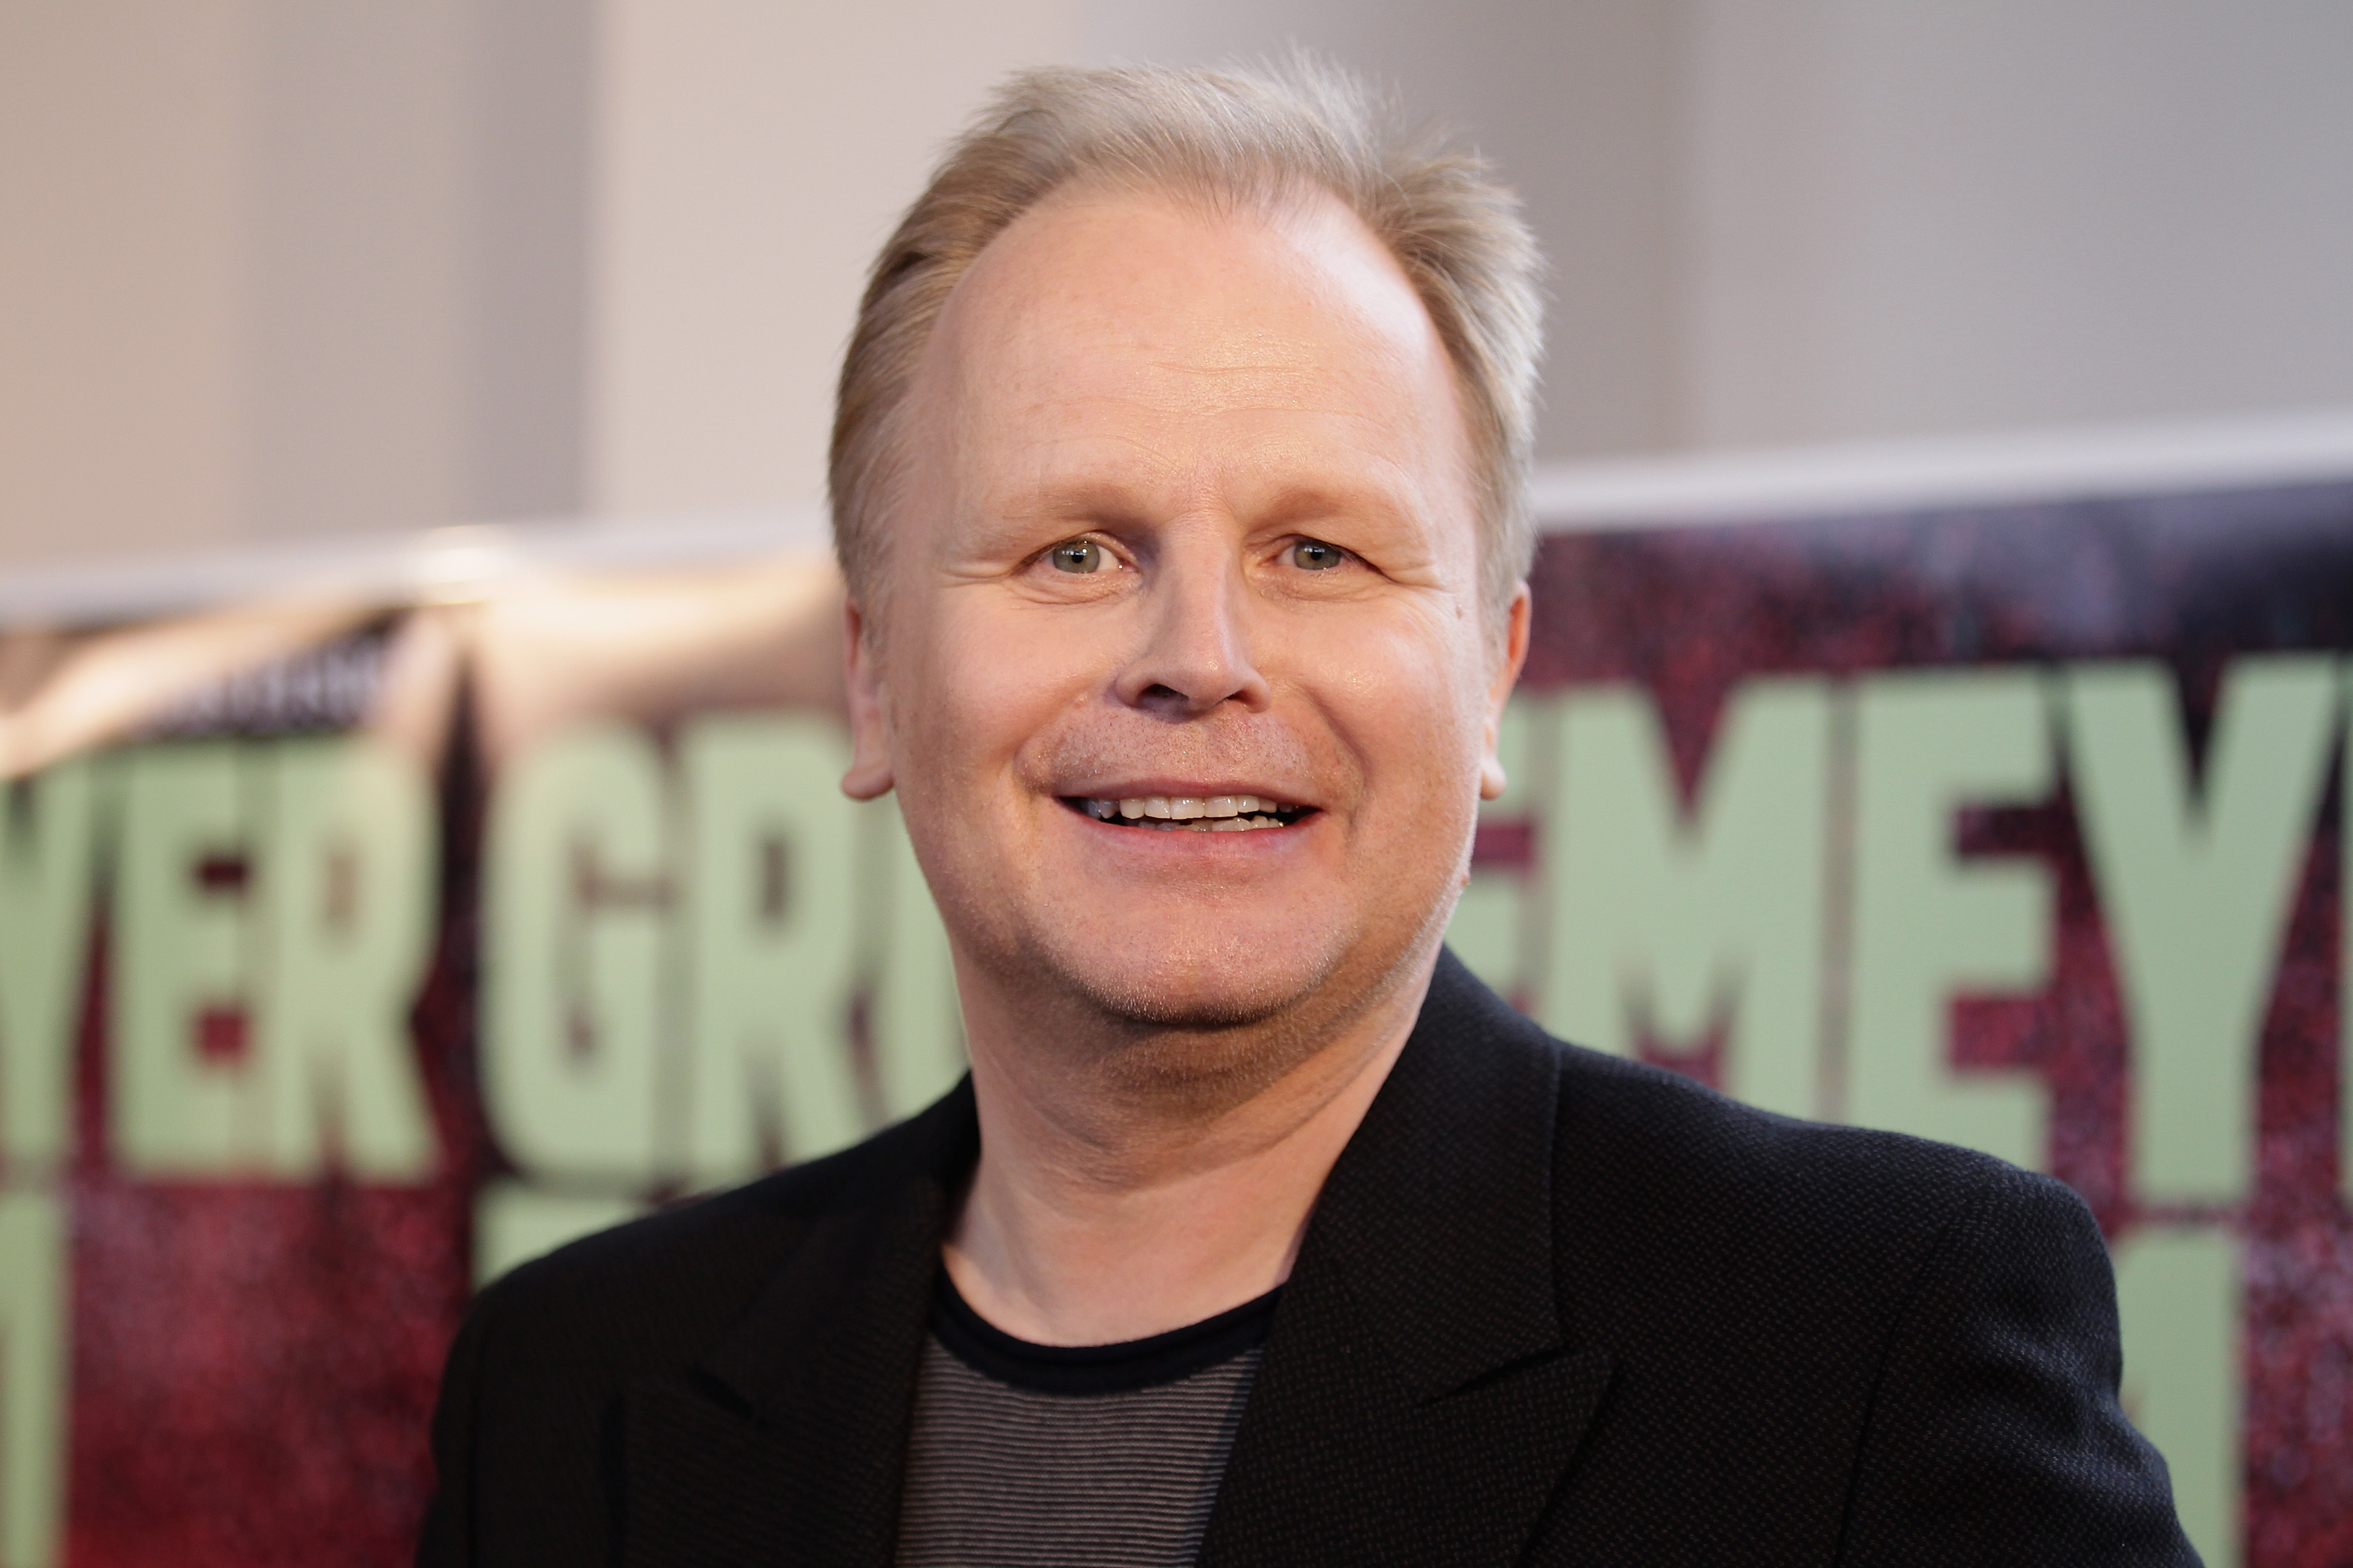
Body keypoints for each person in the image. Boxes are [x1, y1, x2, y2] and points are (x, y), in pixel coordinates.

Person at [418, 61, 2196, 1567]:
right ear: (875, 675)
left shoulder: (1863, 1342)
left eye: (1318, 552)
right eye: (1074, 549)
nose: (1198, 657)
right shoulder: (574, 1392)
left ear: (1490, 675)